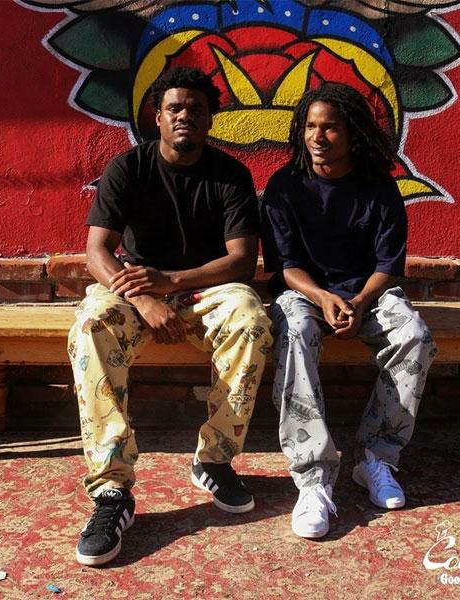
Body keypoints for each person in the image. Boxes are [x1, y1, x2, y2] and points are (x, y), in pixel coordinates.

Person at [67, 67, 272, 566]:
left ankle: (215, 458)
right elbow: (97, 252)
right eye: (174, 108)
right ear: (157, 117)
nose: (185, 116)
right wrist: (144, 298)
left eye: (196, 109)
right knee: (92, 323)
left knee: (250, 318)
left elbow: (242, 261)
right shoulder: (127, 168)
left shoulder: (230, 175)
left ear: (210, 119)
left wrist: (171, 282)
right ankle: (112, 488)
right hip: (134, 291)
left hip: (203, 291)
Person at [261, 83, 437, 539]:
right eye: (310, 126)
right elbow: (285, 267)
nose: (317, 137)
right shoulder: (285, 186)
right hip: (305, 292)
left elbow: (387, 266)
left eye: (330, 127)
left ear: (353, 134)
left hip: (368, 295)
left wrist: (358, 303)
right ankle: (313, 477)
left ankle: (376, 457)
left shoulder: (378, 187)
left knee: (414, 336)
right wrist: (323, 297)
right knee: (296, 332)